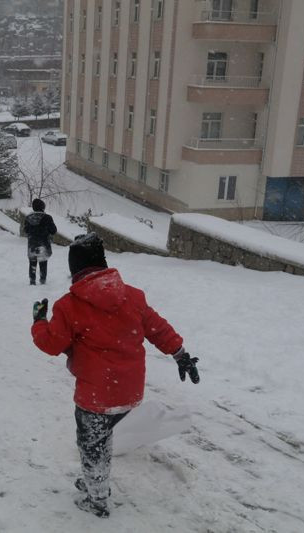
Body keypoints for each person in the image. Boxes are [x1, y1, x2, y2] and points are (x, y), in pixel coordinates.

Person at [30, 233, 200, 518]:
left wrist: (38, 320)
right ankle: (92, 480)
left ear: (75, 269)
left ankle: (96, 498)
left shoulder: (68, 306)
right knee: (104, 438)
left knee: (92, 444)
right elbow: (158, 329)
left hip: (95, 396)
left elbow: (51, 344)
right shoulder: (132, 296)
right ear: (103, 262)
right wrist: (180, 354)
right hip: (129, 392)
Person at [23, 198, 57, 285]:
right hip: (43, 244)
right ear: (42, 207)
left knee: (32, 263)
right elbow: (53, 230)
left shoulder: (28, 218)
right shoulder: (47, 218)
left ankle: (32, 280)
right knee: (43, 262)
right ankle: (42, 280)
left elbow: (26, 230)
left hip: (32, 244)